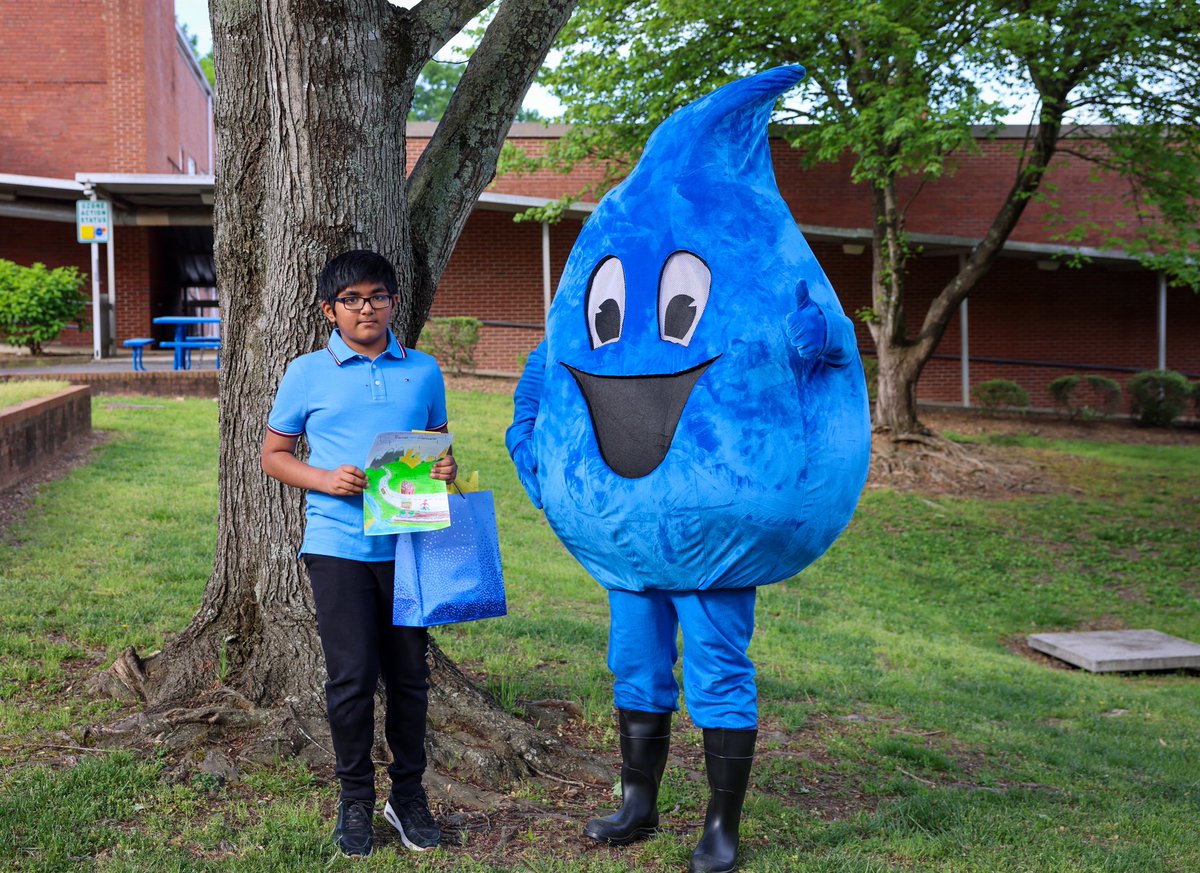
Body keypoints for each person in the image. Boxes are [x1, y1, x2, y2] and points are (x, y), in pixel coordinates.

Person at [262, 249, 457, 859]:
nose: (365, 307)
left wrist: (446, 468)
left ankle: (408, 797)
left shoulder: (423, 371)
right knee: (350, 681)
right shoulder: (305, 373)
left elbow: (435, 449)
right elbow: (273, 455)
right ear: (330, 310)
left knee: (409, 680)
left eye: (376, 296)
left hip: (410, 545)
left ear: (394, 302)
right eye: (351, 300)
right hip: (338, 548)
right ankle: (354, 801)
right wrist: (324, 479)